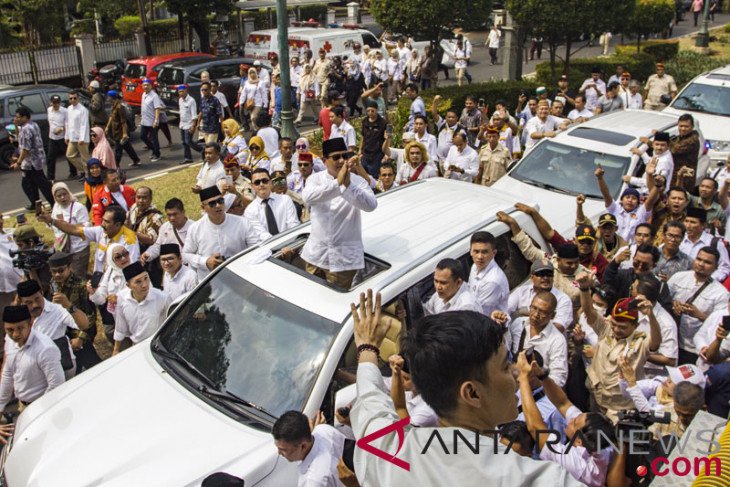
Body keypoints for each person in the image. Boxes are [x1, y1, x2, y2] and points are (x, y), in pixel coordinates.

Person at [349, 291, 583, 486]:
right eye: (504, 367)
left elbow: (371, 406)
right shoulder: (531, 479)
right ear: (471, 393)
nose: (516, 373)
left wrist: (367, 349)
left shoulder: (391, 454)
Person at [516, 352, 615, 487]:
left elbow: (536, 427)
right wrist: (542, 375)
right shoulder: (598, 441)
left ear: (579, 441)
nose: (570, 420)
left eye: (574, 423)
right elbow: (562, 403)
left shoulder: (577, 466)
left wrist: (523, 378)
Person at [301, 138, 377, 289]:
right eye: (336, 157)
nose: (342, 161)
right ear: (324, 161)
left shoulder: (357, 181)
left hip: (343, 261)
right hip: (316, 256)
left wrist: (348, 185)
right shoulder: (315, 179)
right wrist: (337, 183)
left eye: (345, 156)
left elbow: (371, 205)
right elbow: (308, 197)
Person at [183, 186, 270, 280]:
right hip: (210, 281)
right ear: (203, 207)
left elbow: (256, 247)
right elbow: (186, 254)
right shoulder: (195, 228)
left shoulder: (242, 223)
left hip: (241, 277)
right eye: (212, 203)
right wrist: (205, 262)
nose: (218, 205)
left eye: (220, 201)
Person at [669, 246, 730, 364]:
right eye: (699, 259)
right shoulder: (678, 277)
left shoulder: (721, 293)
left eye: (707, 262)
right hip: (671, 340)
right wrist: (673, 304)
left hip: (693, 348)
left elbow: (719, 325)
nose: (701, 264)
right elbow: (662, 300)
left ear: (715, 267)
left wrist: (698, 315)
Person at [0, 305, 64, 414]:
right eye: (10, 330)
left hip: (44, 408)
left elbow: (56, 385)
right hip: (23, 406)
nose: (15, 334)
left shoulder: (45, 349)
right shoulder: (10, 341)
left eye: (20, 328)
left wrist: (38, 411)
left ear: (30, 324)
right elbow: (7, 375)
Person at [41, 204, 140, 274]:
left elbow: (130, 269)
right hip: (100, 279)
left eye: (107, 222)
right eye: (103, 220)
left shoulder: (130, 240)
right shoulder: (101, 231)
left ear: (118, 224)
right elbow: (74, 229)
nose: (102, 224)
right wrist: (52, 220)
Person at [17, 279, 85, 378]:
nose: (35, 305)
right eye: (28, 302)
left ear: (41, 293)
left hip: (62, 369)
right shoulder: (18, 316)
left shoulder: (57, 310)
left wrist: (70, 306)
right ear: (21, 301)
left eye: (37, 299)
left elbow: (83, 325)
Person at [47, 252, 100, 373]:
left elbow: (90, 316)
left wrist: (80, 338)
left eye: (61, 270)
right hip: (64, 335)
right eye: (53, 271)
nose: (57, 274)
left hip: (80, 335)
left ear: (69, 267)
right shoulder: (53, 283)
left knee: (94, 367)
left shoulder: (81, 286)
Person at [272, 410, 345, 487]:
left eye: (283, 450)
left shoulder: (314, 481)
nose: (279, 452)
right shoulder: (324, 429)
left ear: (303, 446)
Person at [113, 262, 171, 355]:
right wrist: (116, 349)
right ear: (128, 285)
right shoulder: (122, 297)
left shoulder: (162, 298)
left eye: (146, 278)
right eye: (138, 282)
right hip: (136, 347)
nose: (144, 285)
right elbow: (121, 326)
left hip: (157, 348)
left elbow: (171, 322)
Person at [595, 164, 661, 242]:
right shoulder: (615, 208)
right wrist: (600, 178)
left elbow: (651, 200)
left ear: (638, 202)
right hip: (613, 247)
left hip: (632, 250)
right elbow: (606, 194)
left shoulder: (641, 212)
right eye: (627, 197)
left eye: (634, 198)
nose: (630, 200)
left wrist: (657, 185)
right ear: (621, 200)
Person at [505, 260, 574, 332]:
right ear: (532, 277)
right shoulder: (521, 292)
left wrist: (524, 314)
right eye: (541, 274)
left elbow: (559, 327)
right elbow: (505, 310)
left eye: (549, 274)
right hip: (520, 338)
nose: (545, 278)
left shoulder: (563, 299)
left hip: (549, 340)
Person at [10, 107, 54, 209]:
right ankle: (36, 204)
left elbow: (25, 148)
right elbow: (20, 141)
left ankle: (53, 203)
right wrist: (16, 126)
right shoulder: (31, 125)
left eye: (18, 117)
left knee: (41, 184)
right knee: (30, 184)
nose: (16, 119)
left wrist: (19, 162)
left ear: (25, 117)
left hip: (32, 162)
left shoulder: (26, 129)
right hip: (34, 161)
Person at [88, 243, 130, 343]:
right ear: (112, 260)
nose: (124, 258)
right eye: (118, 257)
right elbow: (101, 299)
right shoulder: (110, 272)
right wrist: (94, 292)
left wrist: (119, 300)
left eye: (126, 254)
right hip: (117, 318)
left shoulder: (137, 270)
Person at [49, 182, 90, 278]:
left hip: (79, 248)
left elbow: (86, 226)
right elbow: (54, 227)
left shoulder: (78, 207)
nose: (62, 198)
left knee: (78, 276)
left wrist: (68, 227)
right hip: (63, 248)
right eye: (59, 196)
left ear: (69, 193)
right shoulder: (56, 207)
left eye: (64, 194)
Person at [244, 168, 300, 235]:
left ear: (270, 182)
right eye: (257, 182)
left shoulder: (285, 200)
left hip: (292, 242)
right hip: (269, 245)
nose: (261, 184)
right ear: (252, 186)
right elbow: (261, 234)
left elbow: (293, 224)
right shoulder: (249, 211)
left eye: (264, 181)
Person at [680, 207, 730, 280]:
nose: (688, 226)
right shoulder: (679, 239)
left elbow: (724, 267)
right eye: (686, 221)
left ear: (703, 225)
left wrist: (709, 280)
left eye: (693, 222)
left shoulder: (714, 243)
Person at [468, 231, 509, 316]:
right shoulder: (474, 267)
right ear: (470, 252)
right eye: (476, 251)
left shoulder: (493, 281)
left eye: (485, 252)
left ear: (494, 253)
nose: (480, 257)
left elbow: (479, 314)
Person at [105, 91, 140, 167]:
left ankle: (115, 165)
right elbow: (111, 116)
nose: (107, 98)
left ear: (112, 98)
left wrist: (124, 133)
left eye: (108, 97)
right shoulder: (113, 106)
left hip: (120, 132)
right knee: (127, 147)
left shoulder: (120, 107)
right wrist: (107, 127)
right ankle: (136, 160)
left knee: (118, 150)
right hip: (116, 131)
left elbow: (123, 122)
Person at [65, 90, 90, 179]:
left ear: (78, 98)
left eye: (75, 98)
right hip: (72, 138)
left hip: (81, 139)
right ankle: (83, 170)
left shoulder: (83, 110)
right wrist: (66, 136)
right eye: (71, 98)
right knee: (69, 155)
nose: (73, 100)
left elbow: (84, 125)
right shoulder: (68, 109)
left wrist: (82, 138)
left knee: (85, 158)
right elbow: (67, 123)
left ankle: (88, 175)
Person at [359, 100, 387, 179]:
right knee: (363, 177)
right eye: (368, 111)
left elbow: (387, 139)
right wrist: (360, 151)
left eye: (372, 111)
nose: (370, 113)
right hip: (365, 154)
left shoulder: (383, 123)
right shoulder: (365, 121)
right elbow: (363, 137)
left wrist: (386, 154)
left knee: (374, 178)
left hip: (377, 155)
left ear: (376, 110)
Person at [45, 94, 69, 182]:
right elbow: (50, 122)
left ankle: (73, 172)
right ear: (51, 103)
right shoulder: (49, 110)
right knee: (50, 157)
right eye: (54, 103)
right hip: (52, 138)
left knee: (68, 156)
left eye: (58, 103)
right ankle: (50, 177)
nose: (56, 105)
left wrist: (62, 129)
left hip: (62, 137)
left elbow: (67, 123)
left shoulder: (65, 111)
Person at [139, 79, 163, 163]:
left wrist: (156, 120)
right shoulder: (143, 94)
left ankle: (157, 154)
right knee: (142, 136)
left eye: (147, 85)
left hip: (152, 121)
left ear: (151, 86)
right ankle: (153, 149)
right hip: (144, 121)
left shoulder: (154, 96)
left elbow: (157, 108)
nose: (145, 86)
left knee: (154, 138)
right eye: (144, 85)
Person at [177, 84, 198, 164]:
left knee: (188, 142)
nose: (181, 93)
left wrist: (193, 126)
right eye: (179, 92)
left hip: (189, 125)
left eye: (182, 91)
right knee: (184, 142)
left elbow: (194, 115)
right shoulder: (180, 100)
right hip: (182, 124)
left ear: (186, 91)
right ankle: (188, 158)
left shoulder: (191, 101)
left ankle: (202, 150)